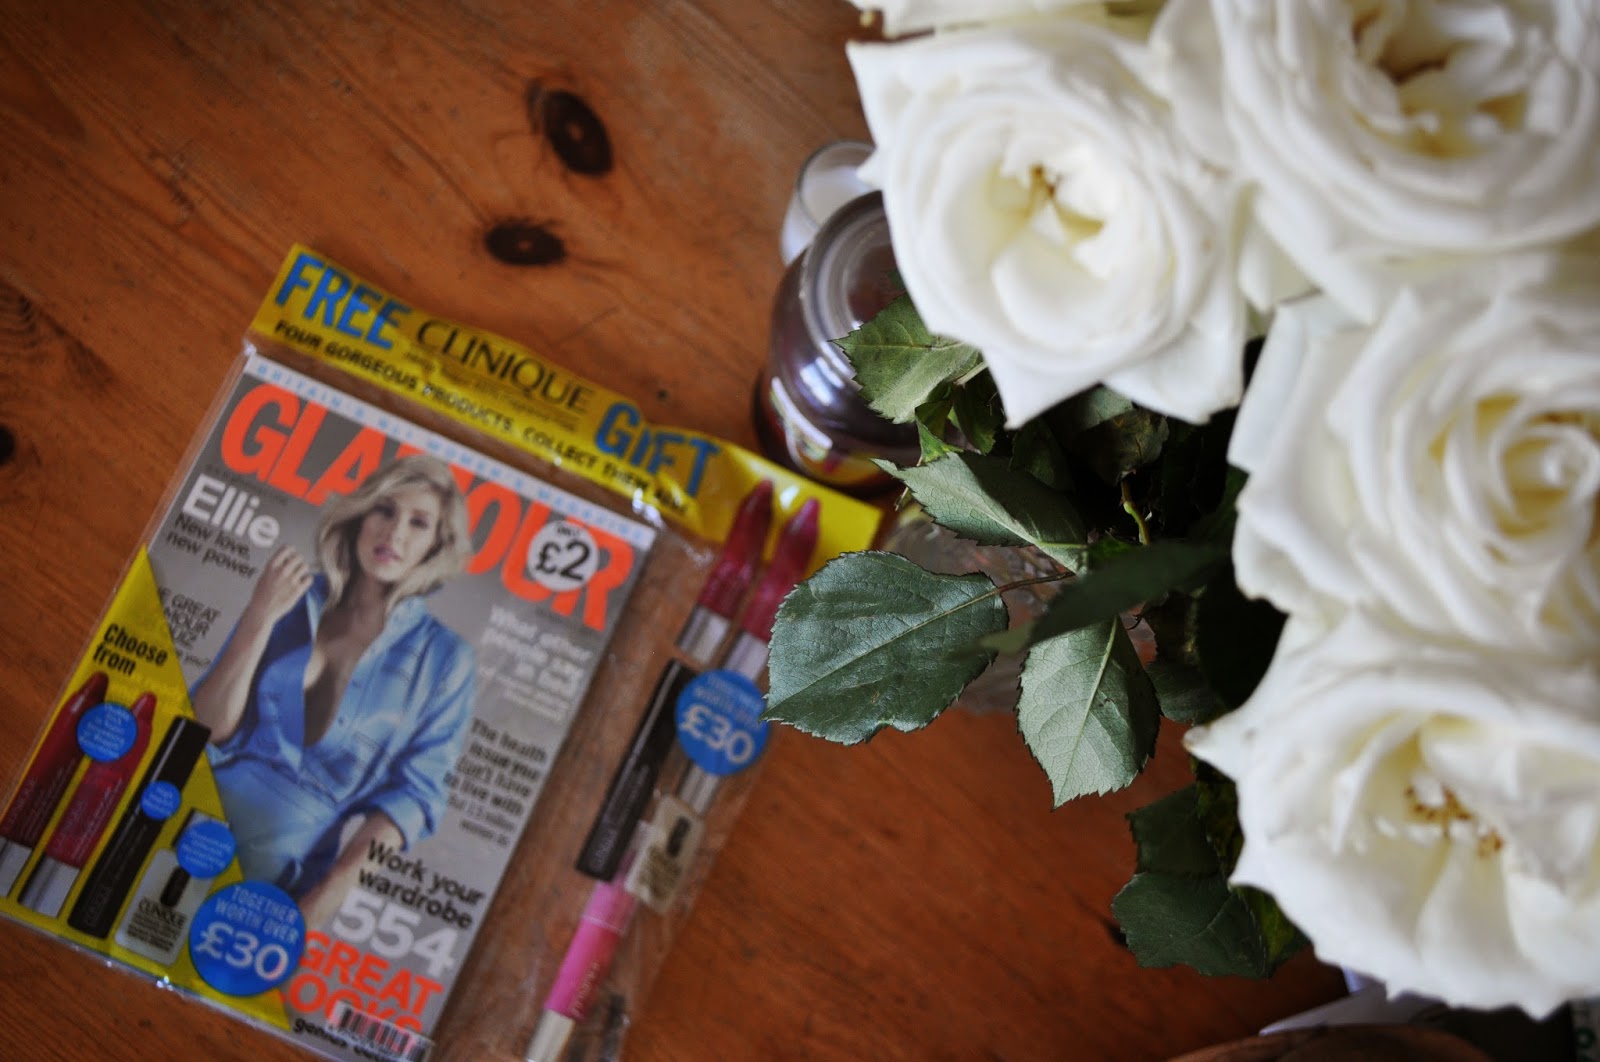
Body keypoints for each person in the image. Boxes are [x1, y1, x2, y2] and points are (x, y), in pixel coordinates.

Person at [191, 454, 476, 927]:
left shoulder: (445, 660)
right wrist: (260, 616)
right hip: (186, 817)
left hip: (278, 879)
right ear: (361, 514)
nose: (394, 533)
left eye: (418, 523)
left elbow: (415, 798)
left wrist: (320, 902)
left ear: (436, 545)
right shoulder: (295, 596)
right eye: (384, 510)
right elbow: (204, 728)